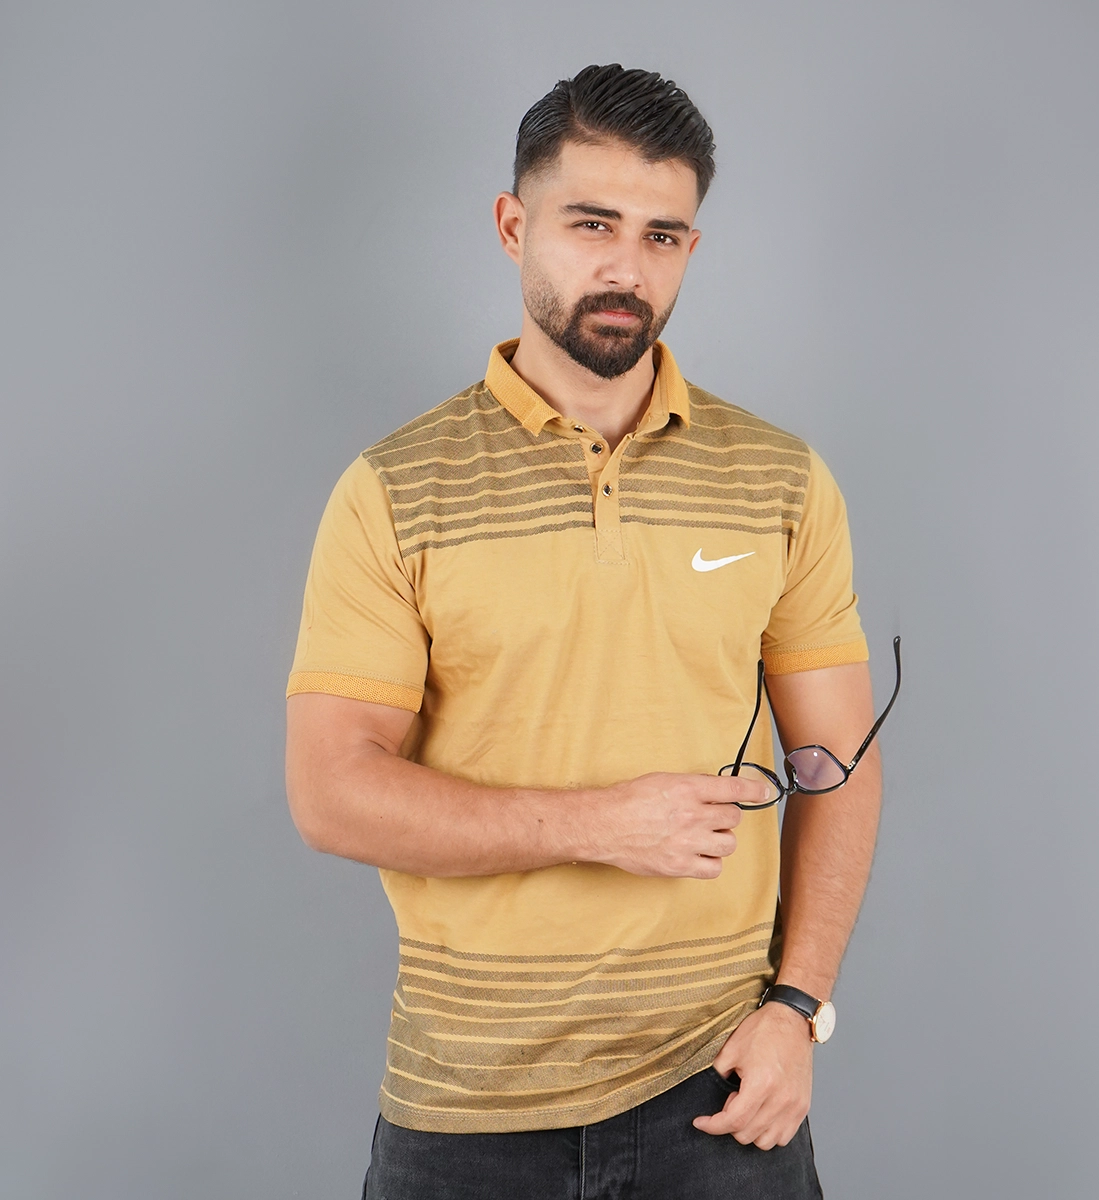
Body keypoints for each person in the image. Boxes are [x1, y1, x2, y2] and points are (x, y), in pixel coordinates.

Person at [285, 63, 888, 1200]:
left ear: (692, 249)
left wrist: (798, 1009)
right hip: (468, 1108)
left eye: (663, 236)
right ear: (515, 227)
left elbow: (838, 763)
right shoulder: (394, 490)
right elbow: (331, 793)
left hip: (722, 1091)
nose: (627, 268)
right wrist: (601, 823)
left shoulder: (781, 481)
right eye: (592, 224)